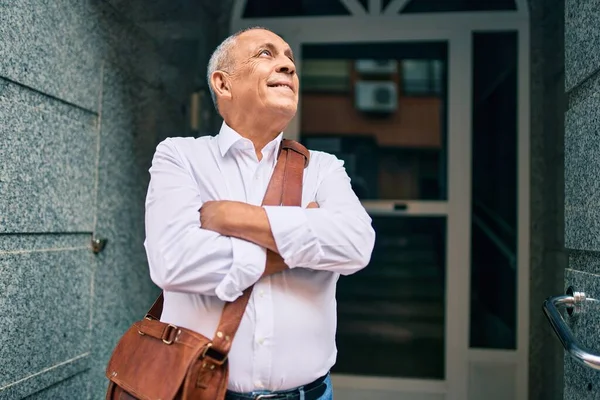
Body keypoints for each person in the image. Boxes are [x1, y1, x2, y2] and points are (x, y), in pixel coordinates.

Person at [143, 26, 376, 400]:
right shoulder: (180, 156)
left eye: (290, 59)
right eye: (267, 54)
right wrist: (302, 241)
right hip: (200, 393)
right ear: (223, 84)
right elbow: (173, 262)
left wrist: (233, 217)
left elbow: (356, 245)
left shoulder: (324, 168)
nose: (287, 65)